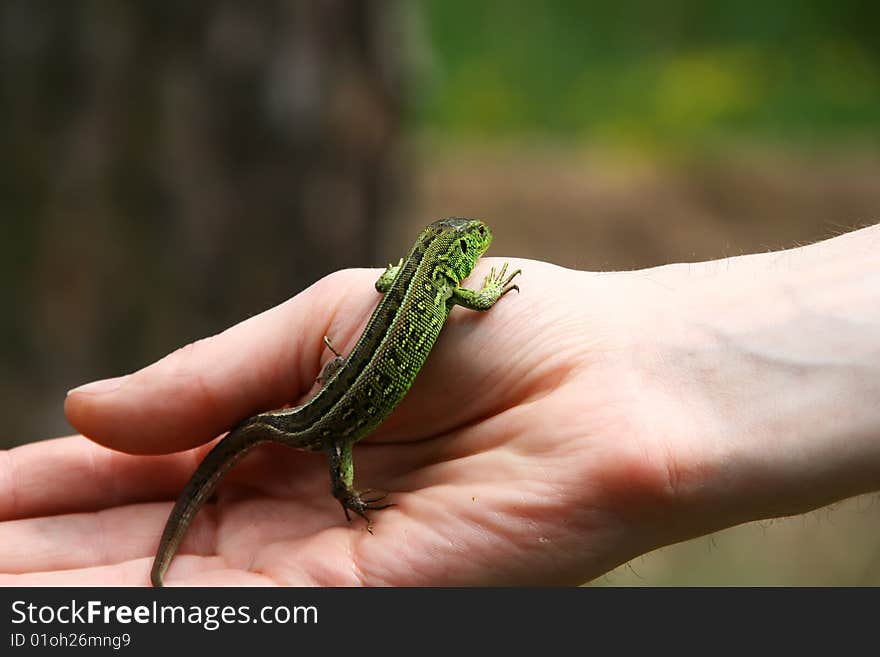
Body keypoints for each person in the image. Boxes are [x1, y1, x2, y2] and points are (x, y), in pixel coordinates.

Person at [1, 223, 877, 585]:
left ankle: (181, 543)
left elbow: (393, 281)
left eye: (472, 248)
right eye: (469, 246)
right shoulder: (455, 288)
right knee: (327, 442)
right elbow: (482, 299)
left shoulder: (408, 280)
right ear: (452, 260)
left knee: (316, 424)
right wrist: (493, 285)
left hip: (322, 409)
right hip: (324, 421)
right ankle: (222, 533)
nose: (476, 250)